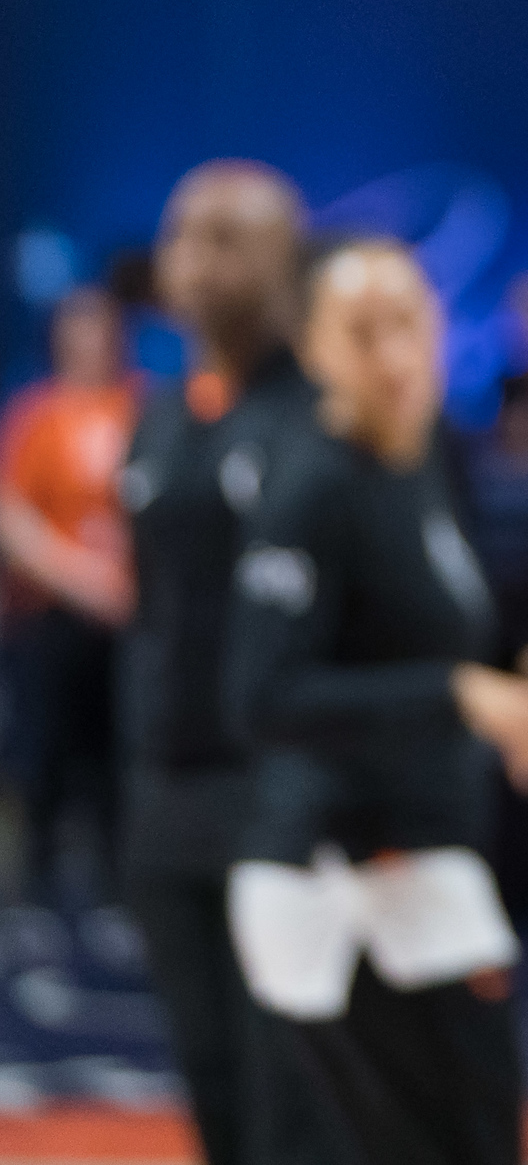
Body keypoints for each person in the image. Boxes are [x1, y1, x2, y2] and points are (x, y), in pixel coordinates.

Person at [226, 239, 528, 1165]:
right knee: (452, 1133)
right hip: (340, 865)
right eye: (363, 332)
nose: (395, 355)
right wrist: (459, 694)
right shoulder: (310, 483)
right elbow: (264, 693)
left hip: (423, 845)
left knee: (477, 1129)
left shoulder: (426, 455)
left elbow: (455, 626)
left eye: (408, 323)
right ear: (317, 347)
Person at [122, 163, 344, 1165]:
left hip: (283, 795)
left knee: (291, 1097)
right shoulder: (163, 417)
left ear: (283, 259)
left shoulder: (321, 415)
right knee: (209, 1081)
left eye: (225, 236)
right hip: (168, 794)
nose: (197, 259)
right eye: (182, 235)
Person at [0, 286, 138, 909]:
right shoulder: (37, 414)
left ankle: (117, 904)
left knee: (118, 764)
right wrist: (81, 579)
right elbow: (13, 516)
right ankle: (37, 905)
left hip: (132, 621)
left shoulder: (145, 406)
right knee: (46, 762)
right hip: (51, 616)